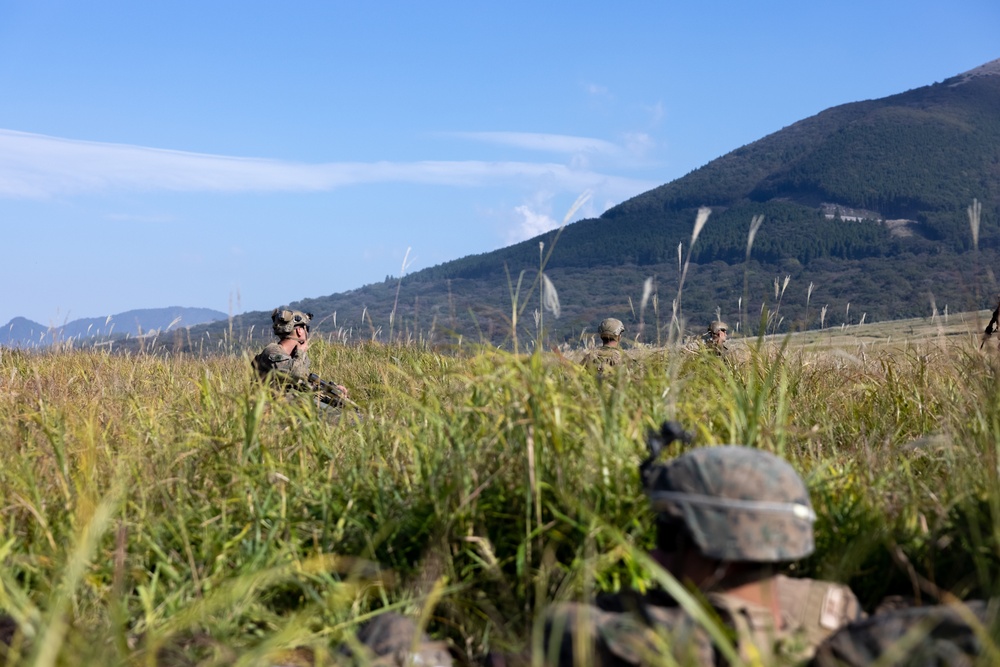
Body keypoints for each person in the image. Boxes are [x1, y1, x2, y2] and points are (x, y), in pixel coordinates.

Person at [542, 422, 862, 666]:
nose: (655, 554)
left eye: (667, 536)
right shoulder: (835, 610)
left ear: (719, 546)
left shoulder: (619, 636)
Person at [252, 308, 349, 404]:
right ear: (299, 331)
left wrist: (332, 389)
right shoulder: (272, 351)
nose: (307, 332)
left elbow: (303, 383)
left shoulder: (293, 357)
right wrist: (300, 352)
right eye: (306, 328)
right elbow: (294, 375)